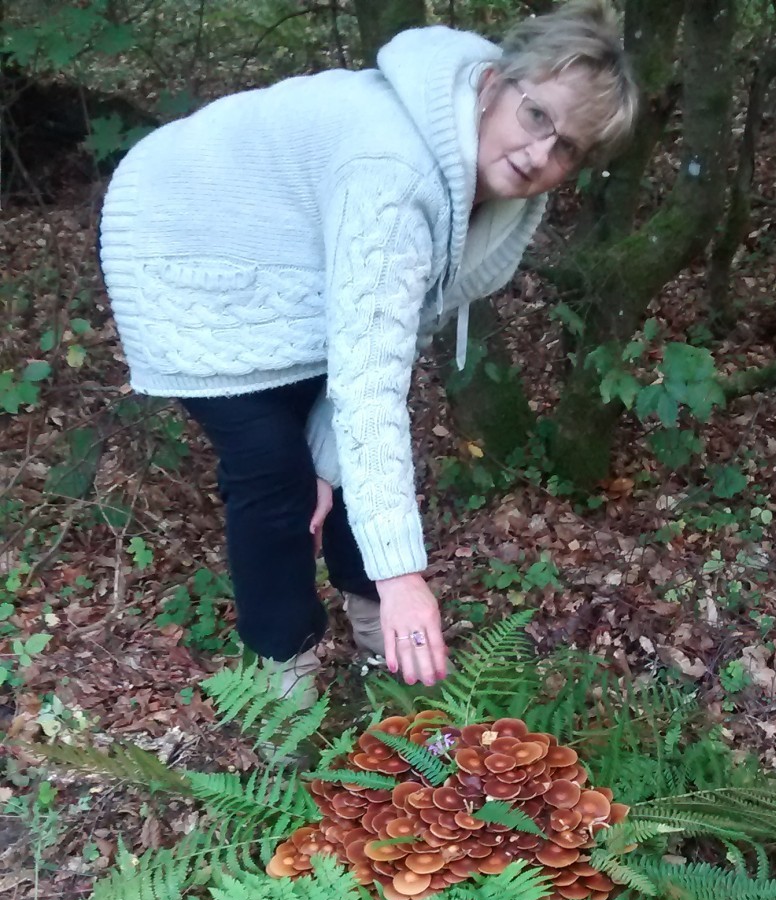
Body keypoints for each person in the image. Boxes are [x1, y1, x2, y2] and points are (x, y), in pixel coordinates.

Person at [99, 2, 636, 703]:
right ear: (499, 81)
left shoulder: (489, 185)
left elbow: (390, 336)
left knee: (339, 466)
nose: (542, 155)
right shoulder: (396, 166)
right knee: (273, 474)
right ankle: (282, 686)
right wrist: (404, 573)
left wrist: (330, 458)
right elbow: (369, 383)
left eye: (568, 148)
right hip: (183, 240)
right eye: (538, 117)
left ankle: (385, 651)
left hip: (296, 260)